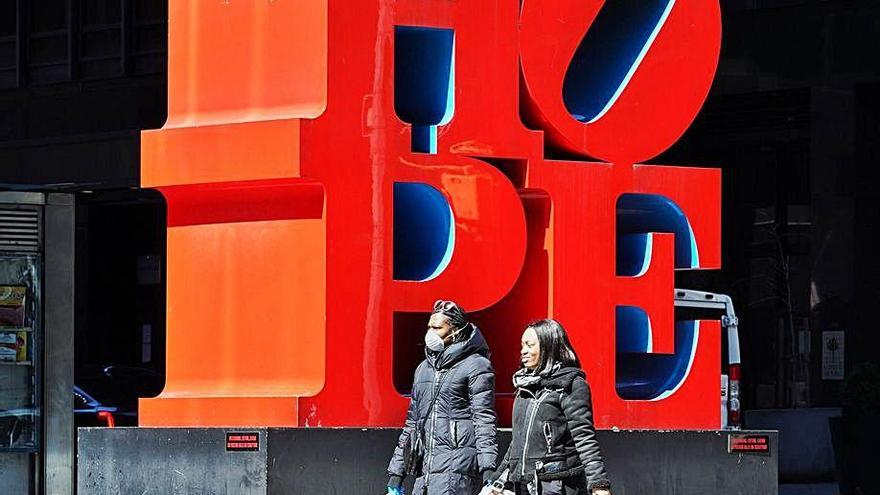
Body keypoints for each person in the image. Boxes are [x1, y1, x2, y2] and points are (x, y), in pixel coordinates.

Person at [487, 319, 612, 495]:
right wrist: (498, 479)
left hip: (555, 484)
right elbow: (518, 441)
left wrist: (599, 484)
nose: (523, 351)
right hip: (523, 484)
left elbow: (584, 437)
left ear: (548, 346)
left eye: (530, 345)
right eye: (522, 345)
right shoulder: (524, 386)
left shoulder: (570, 384)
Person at [386, 299, 498, 495]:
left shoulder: (477, 366)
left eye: (437, 328)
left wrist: (488, 470)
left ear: (455, 331)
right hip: (425, 473)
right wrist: (397, 474)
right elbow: (413, 423)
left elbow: (484, 420)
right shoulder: (423, 369)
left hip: (458, 471)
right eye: (429, 327)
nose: (430, 333)